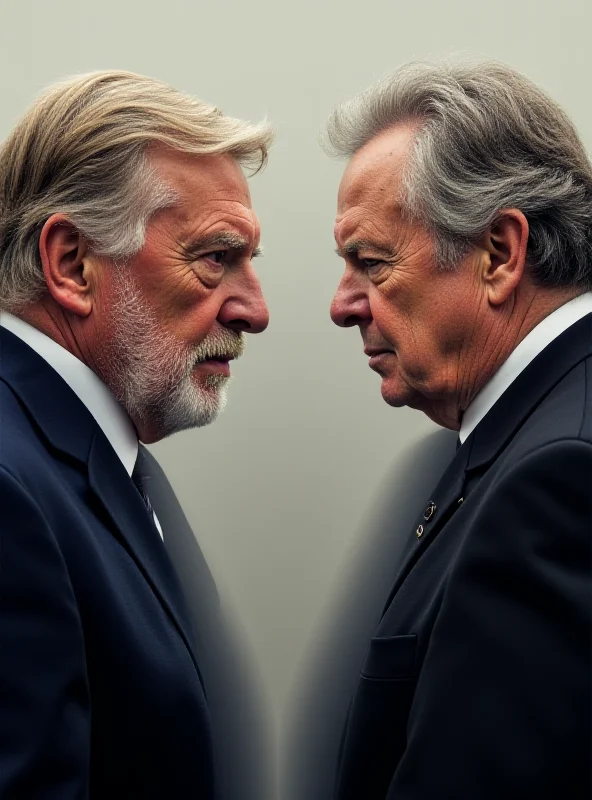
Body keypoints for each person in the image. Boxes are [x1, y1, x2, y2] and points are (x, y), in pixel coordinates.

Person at [0, 70, 272, 798]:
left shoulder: (92, 454)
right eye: (217, 258)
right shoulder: (10, 487)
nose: (254, 309)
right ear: (71, 264)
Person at [327, 60, 592, 799]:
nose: (342, 306)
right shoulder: (523, 433)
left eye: (371, 263)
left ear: (500, 255)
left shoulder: (558, 477)